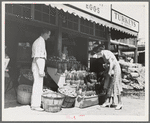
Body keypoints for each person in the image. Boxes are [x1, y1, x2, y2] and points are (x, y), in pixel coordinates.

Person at [94, 44, 123, 110]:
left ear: (99, 51)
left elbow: (111, 62)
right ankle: (107, 101)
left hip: (115, 68)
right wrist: (106, 69)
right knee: (109, 84)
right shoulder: (104, 55)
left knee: (116, 84)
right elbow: (108, 64)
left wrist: (109, 71)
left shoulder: (104, 53)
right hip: (112, 68)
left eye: (96, 53)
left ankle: (120, 103)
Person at [31, 29, 51, 111]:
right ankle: (35, 105)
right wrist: (40, 70)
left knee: (37, 85)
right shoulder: (40, 42)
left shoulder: (39, 41)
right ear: (45, 33)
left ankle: (36, 104)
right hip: (38, 65)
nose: (49, 37)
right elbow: (38, 56)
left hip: (38, 65)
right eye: (49, 34)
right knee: (38, 85)